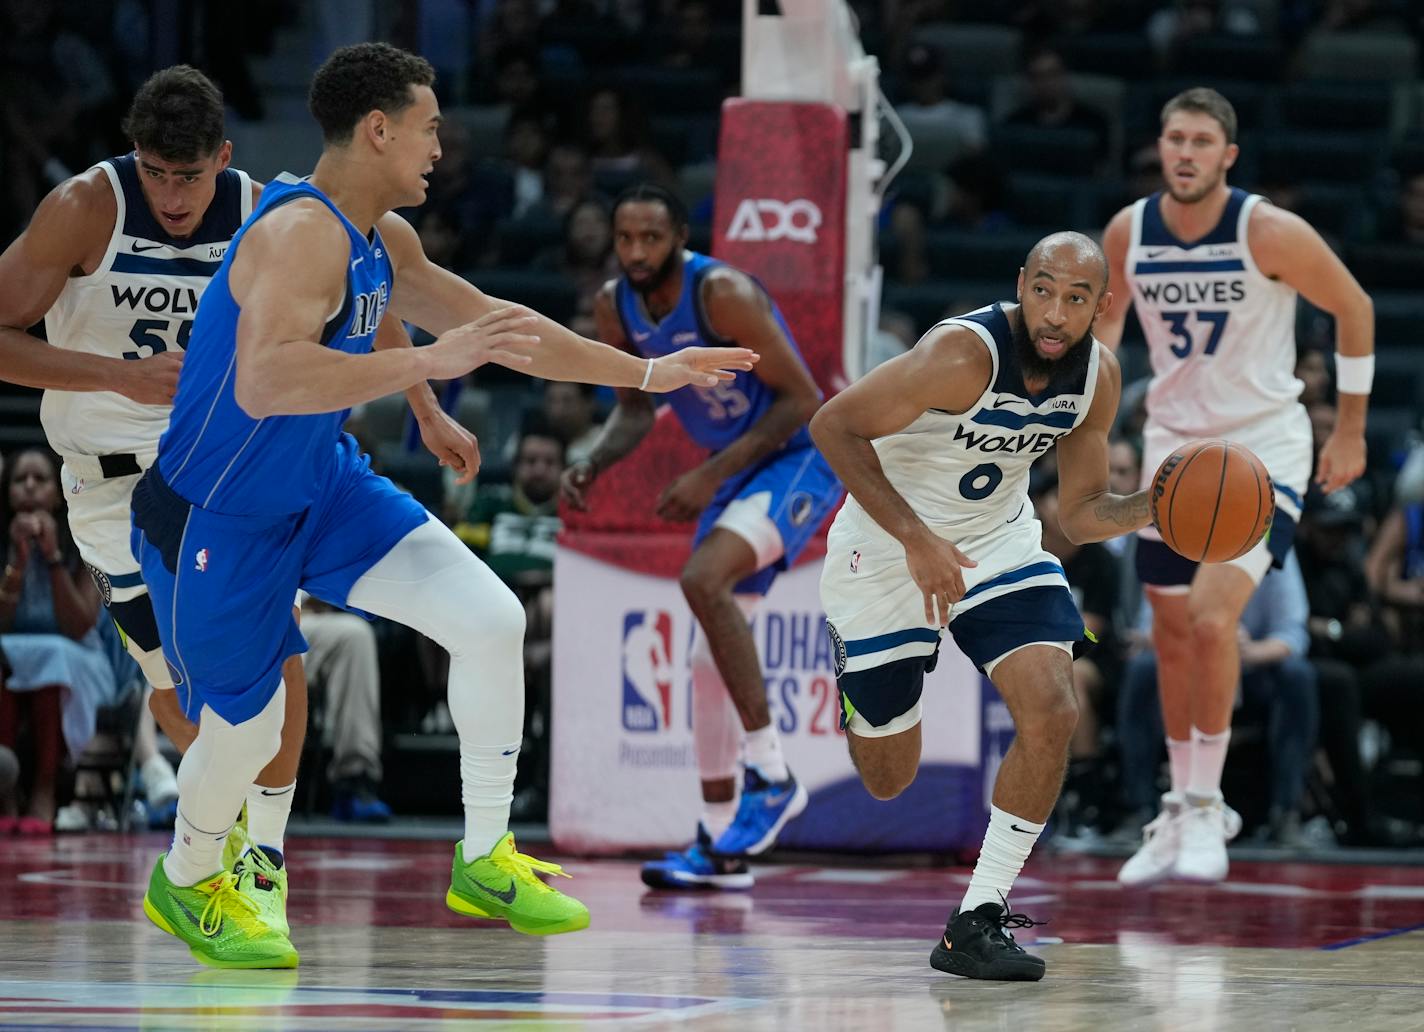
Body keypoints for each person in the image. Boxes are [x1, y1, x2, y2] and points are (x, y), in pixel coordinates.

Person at [129, 43, 753, 969]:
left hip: (321, 485)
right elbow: (262, 382)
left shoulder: (383, 236)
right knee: (251, 727)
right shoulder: (300, 231)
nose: (439, 148)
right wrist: (423, 367)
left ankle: (485, 855)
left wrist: (650, 372)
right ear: (377, 130)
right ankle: (184, 884)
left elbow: (501, 328)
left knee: (492, 617)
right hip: (215, 511)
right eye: (427, 129)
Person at [811, 232, 1152, 982]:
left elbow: (1085, 513)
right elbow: (831, 425)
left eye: (1075, 297)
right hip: (886, 542)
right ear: (1021, 285)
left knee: (1054, 708)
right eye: (1043, 289)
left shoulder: (1098, 377)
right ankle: (860, 694)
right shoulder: (963, 354)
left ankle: (978, 917)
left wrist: (1158, 506)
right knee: (888, 777)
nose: (1055, 312)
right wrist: (916, 538)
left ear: (1102, 306)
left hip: (998, 541)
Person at [0, 65, 315, 865]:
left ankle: (257, 857)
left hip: (220, 474)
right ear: (132, 156)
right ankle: (220, 830)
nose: (174, 197)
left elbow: (368, 293)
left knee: (273, 662)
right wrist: (114, 374)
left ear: (225, 156)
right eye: (157, 174)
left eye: (191, 175)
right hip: (109, 488)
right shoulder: (83, 210)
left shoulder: (265, 213)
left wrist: (422, 402)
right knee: (176, 697)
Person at [1099, 87, 1373, 885]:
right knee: (1172, 628)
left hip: (1259, 452)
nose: (1184, 152)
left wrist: (1350, 428)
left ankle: (1209, 803)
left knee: (1217, 619)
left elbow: (1355, 308)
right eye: (1174, 137)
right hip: (1172, 451)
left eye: (1201, 140)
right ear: (1161, 145)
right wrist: (1081, 419)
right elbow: (1108, 348)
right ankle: (1182, 806)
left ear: (1229, 155)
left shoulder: (1268, 231)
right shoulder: (1128, 233)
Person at [561, 183, 841, 890]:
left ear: (679, 238)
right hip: (739, 473)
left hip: (801, 456)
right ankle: (721, 844)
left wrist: (705, 476)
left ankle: (772, 774)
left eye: (650, 239)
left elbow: (804, 398)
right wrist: (594, 459)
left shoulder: (720, 292)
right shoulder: (611, 306)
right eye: (625, 239)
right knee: (701, 664)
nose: (636, 253)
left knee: (700, 580)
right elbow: (633, 409)